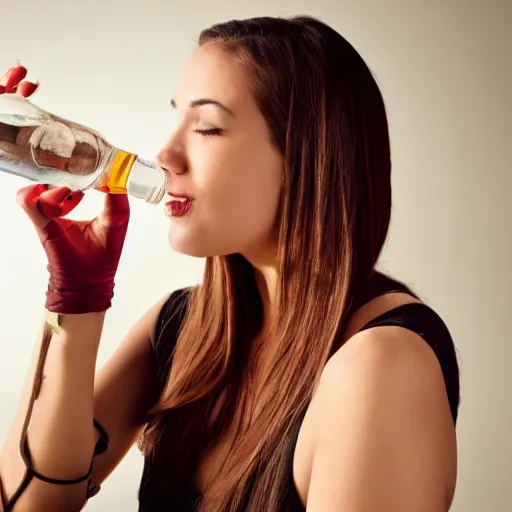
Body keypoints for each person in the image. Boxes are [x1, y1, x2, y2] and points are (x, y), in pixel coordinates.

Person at [0, 15, 460, 512]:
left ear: (307, 156)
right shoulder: (181, 329)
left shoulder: (381, 365)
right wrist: (77, 299)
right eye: (176, 120)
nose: (166, 154)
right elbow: (30, 504)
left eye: (208, 127)